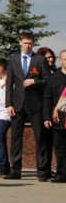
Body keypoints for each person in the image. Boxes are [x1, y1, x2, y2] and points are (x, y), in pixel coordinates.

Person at [5, 31, 51, 181]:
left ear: (33, 43)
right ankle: (15, 170)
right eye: (25, 43)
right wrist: (9, 104)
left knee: (40, 138)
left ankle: (42, 171)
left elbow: (47, 80)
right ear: (20, 43)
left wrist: (34, 81)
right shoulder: (13, 60)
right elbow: (9, 84)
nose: (27, 45)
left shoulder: (39, 60)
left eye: (30, 43)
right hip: (17, 104)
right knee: (16, 138)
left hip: (35, 104)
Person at [43, 50, 66, 183]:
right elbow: (47, 99)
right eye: (65, 59)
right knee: (60, 147)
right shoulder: (54, 77)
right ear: (60, 60)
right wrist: (46, 117)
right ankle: (62, 174)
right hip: (59, 118)